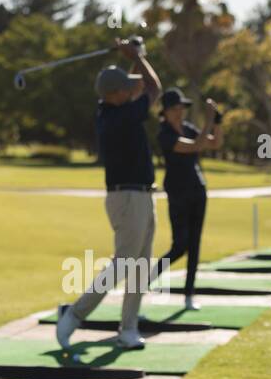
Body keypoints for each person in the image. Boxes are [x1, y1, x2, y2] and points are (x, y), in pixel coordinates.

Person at [55, 37, 162, 350]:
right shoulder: (120, 116)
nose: (133, 89)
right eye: (125, 88)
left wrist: (133, 55)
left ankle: (128, 328)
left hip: (141, 195)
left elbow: (139, 83)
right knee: (125, 263)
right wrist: (138, 55)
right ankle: (74, 315)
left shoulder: (117, 108)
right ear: (114, 94)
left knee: (140, 264)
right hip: (128, 197)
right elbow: (152, 87)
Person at [156, 88, 222, 309]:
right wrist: (209, 120)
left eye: (181, 108)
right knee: (179, 245)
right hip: (177, 191)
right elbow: (194, 146)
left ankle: (189, 294)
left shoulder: (188, 128)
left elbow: (214, 143)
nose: (179, 112)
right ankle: (146, 279)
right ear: (164, 111)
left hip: (198, 189)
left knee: (195, 244)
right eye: (175, 109)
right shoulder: (165, 134)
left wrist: (217, 122)